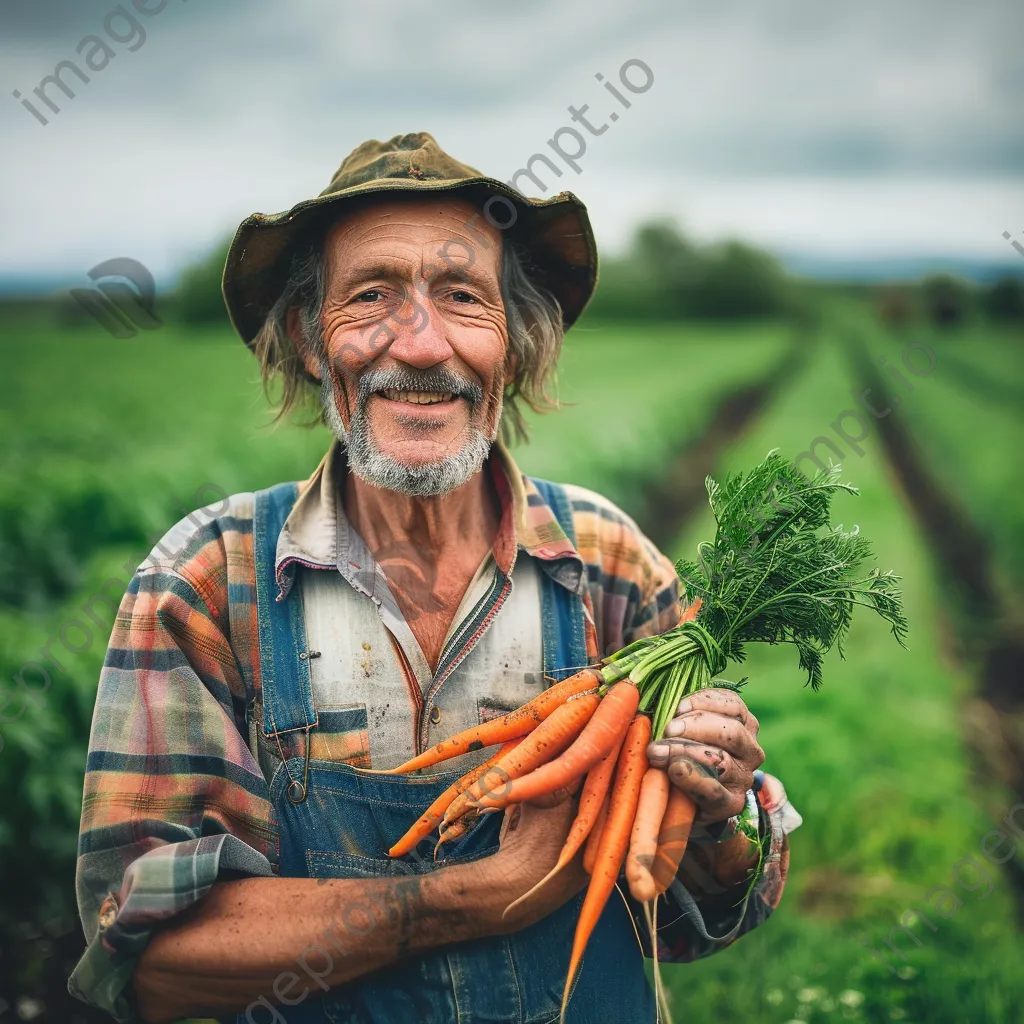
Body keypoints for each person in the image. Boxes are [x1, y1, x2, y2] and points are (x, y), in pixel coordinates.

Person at [70, 132, 798, 1024]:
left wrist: (719, 821)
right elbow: (147, 958)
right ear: (307, 338)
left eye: (463, 298)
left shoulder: (608, 562)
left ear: (515, 344)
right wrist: (481, 893)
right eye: (372, 295)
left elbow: (710, 914)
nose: (419, 345)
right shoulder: (208, 582)